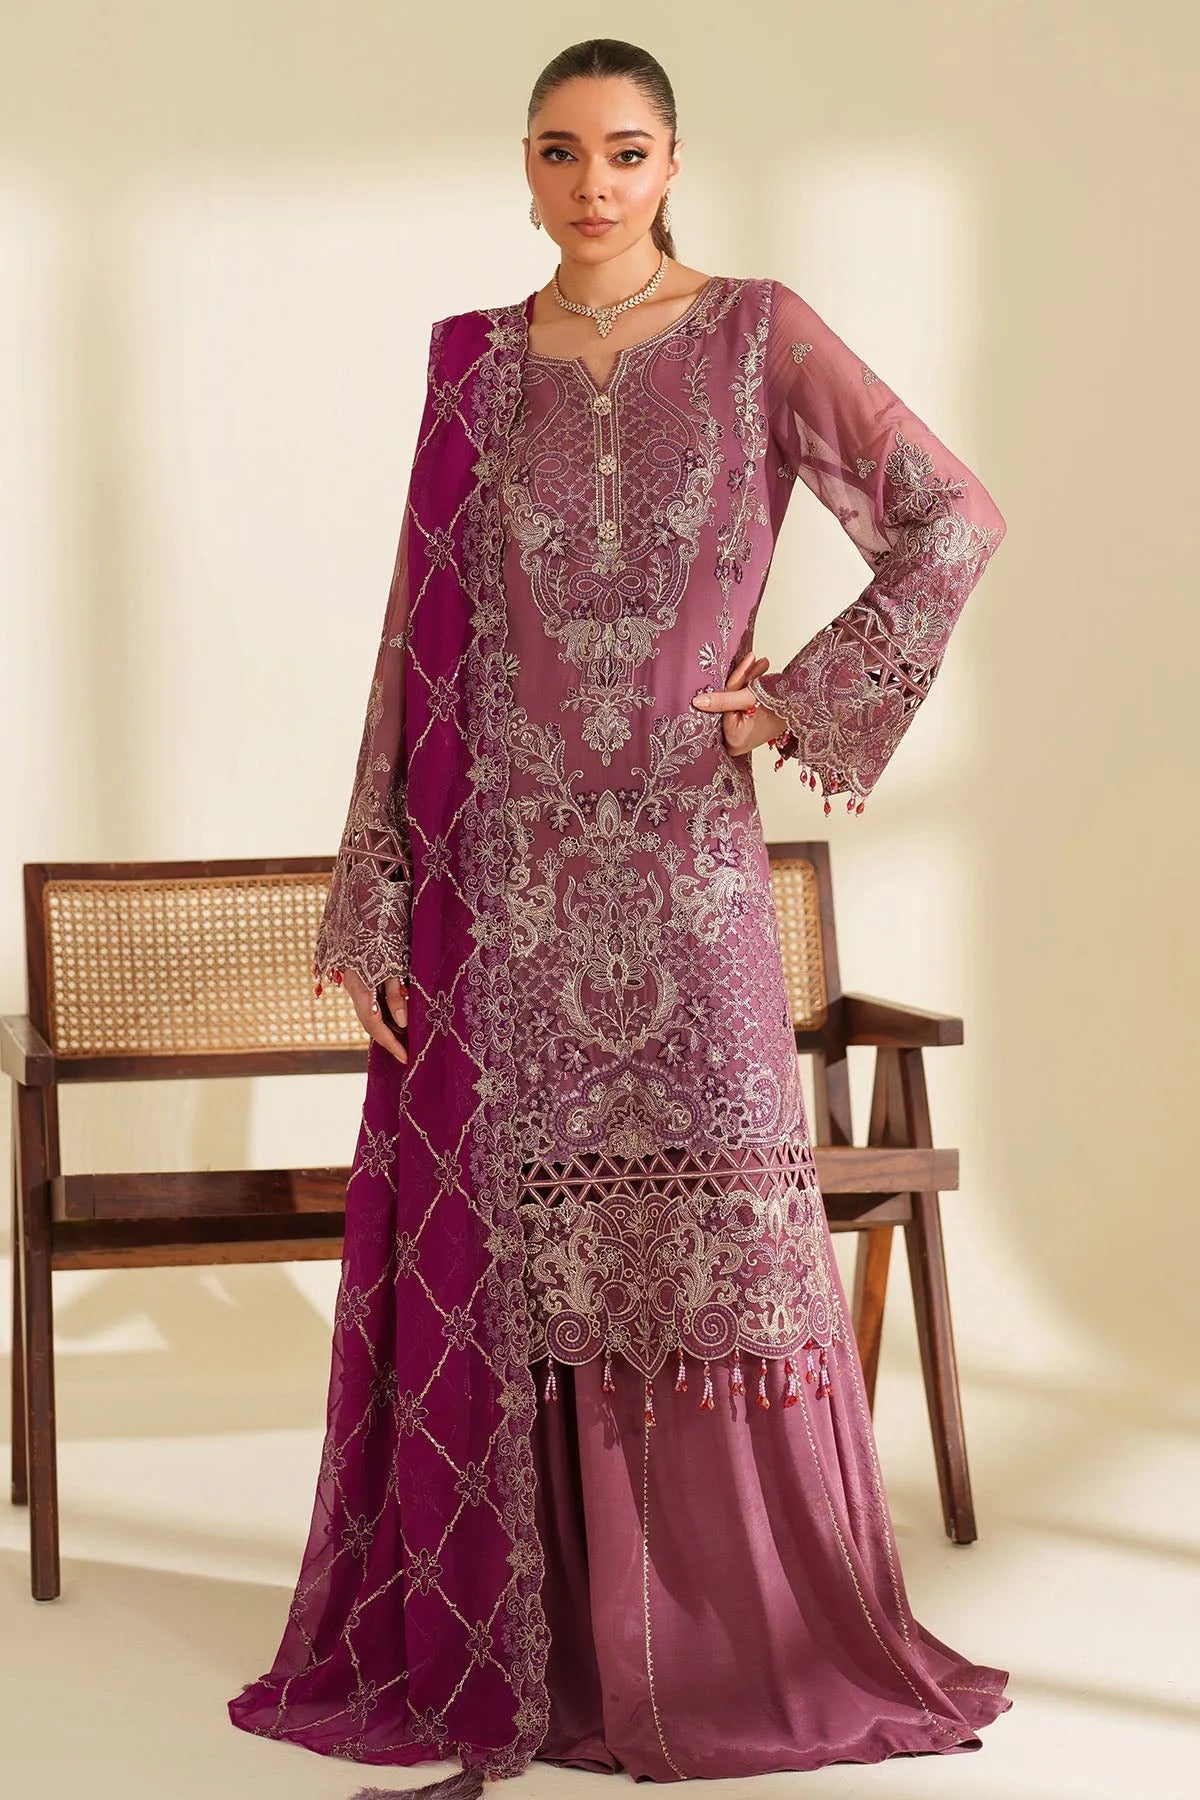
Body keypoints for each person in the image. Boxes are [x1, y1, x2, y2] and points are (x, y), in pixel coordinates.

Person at [227, 36, 1011, 1799]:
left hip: (683, 875)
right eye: (563, 150)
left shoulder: (757, 335)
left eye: (629, 151)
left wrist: (799, 698)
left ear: (674, 166)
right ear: (524, 169)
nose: (595, 183)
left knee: (712, 1256)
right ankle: (540, 1636)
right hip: (492, 893)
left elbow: (949, 519)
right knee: (524, 1263)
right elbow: (412, 636)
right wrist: (376, 895)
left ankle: (736, 1637)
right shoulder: (472, 372)